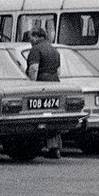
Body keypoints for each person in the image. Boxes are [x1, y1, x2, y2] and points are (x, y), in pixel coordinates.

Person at [24, 25, 65, 160]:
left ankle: (45, 147)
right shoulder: (54, 50)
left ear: (36, 37)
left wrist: (31, 85)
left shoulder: (36, 50)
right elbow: (58, 71)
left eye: (30, 37)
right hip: (55, 83)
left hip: (42, 84)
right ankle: (55, 148)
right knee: (53, 117)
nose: (29, 40)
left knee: (41, 118)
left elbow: (34, 69)